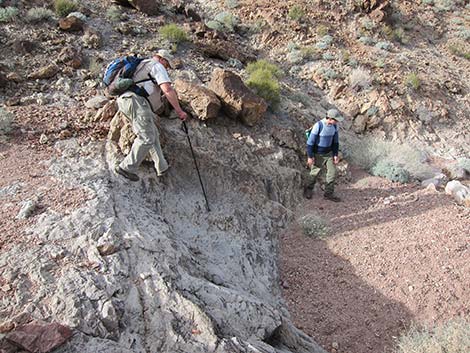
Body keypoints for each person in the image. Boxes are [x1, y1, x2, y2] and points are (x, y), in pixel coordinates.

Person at [115, 49, 188, 182]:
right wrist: (179, 111)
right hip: (136, 101)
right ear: (162, 59)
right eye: (167, 65)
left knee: (152, 133)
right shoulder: (157, 66)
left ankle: (162, 166)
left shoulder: (142, 64)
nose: (167, 68)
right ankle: (126, 167)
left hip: (126, 100)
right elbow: (167, 89)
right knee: (146, 137)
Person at [304, 108, 344, 202]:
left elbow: (335, 142)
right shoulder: (318, 126)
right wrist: (310, 156)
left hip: (329, 154)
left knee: (332, 172)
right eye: (335, 120)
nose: (337, 122)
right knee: (314, 172)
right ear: (330, 118)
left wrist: (335, 155)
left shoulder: (335, 127)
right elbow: (310, 143)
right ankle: (308, 189)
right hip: (318, 154)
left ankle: (328, 194)